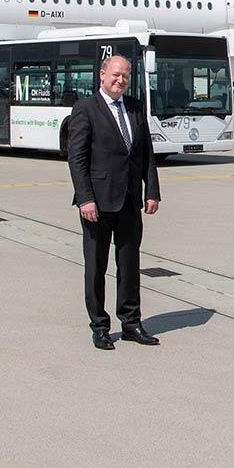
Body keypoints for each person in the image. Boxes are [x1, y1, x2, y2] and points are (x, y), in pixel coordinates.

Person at [67, 55, 162, 350]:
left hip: (130, 202)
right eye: (115, 75)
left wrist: (152, 191)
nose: (120, 80)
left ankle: (131, 322)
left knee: (130, 266)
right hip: (96, 204)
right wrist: (85, 198)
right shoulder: (85, 109)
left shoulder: (134, 108)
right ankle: (100, 326)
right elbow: (77, 158)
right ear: (102, 75)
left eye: (125, 76)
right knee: (96, 268)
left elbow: (146, 153)